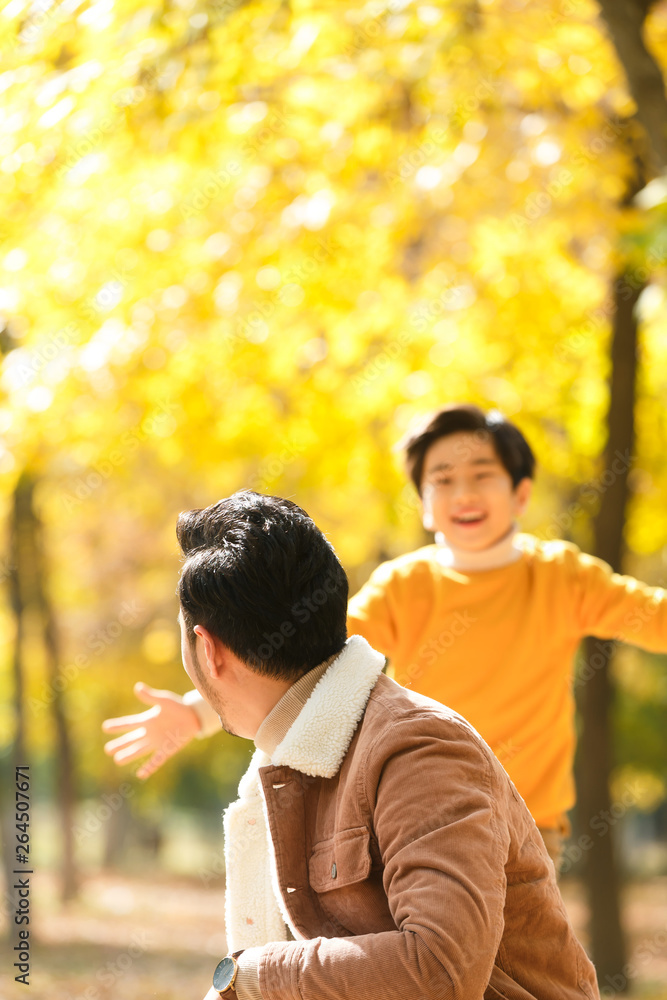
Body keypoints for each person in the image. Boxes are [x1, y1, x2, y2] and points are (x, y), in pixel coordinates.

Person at [104, 403, 667, 869]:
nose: (463, 494)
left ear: (521, 494)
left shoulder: (562, 577)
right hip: (420, 811)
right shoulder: (406, 586)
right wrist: (196, 711)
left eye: (482, 476)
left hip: (529, 824)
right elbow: (307, 665)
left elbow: (652, 616)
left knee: (517, 958)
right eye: (442, 480)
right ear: (423, 504)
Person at [171, 491, 600, 999]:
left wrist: (254, 976)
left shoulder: (420, 748)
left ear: (209, 649)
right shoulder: (288, 757)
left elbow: (440, 969)